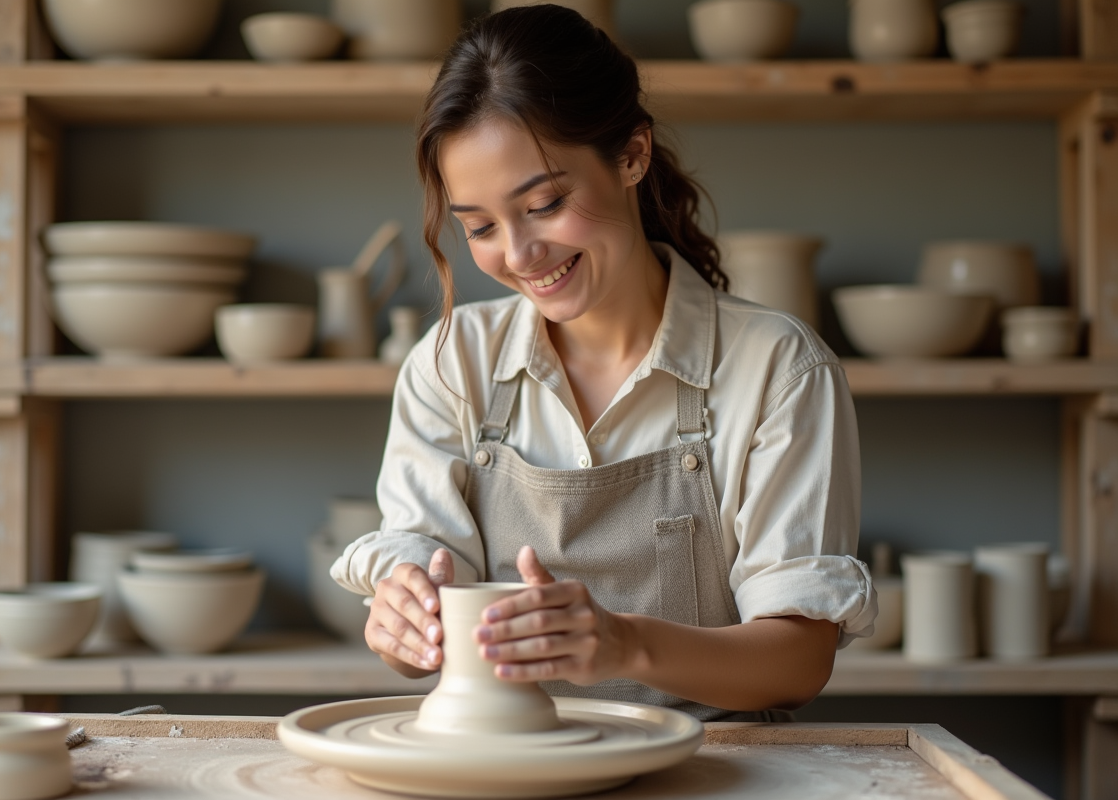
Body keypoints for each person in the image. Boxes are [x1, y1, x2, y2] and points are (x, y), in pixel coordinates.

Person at [332, 4, 876, 721]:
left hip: (715, 765)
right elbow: (424, 617)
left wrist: (625, 646)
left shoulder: (778, 368)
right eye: (481, 227)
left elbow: (798, 661)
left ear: (632, 156)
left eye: (545, 203)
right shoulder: (451, 361)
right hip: (509, 762)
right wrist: (403, 624)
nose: (520, 255)